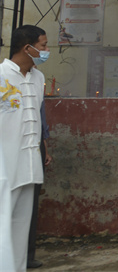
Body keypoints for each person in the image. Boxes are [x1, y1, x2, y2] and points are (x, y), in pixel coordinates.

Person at [0, 25, 49, 272]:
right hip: (4, 167)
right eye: (43, 45)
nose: (46, 50)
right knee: (2, 228)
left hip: (29, 165)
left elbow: (38, 121)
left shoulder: (38, 78)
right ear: (26, 47)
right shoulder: (0, 76)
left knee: (21, 228)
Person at [27, 103, 53, 269]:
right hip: (10, 144)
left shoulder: (36, 81)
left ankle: (27, 255)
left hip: (35, 145)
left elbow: (40, 120)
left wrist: (44, 148)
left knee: (31, 203)